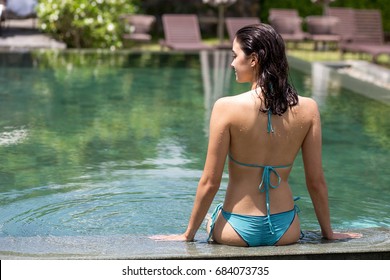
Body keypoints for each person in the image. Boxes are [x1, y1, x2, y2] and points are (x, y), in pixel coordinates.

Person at [152, 23, 361, 246]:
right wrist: (328, 233)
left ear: (253, 59)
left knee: (210, 218)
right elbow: (316, 181)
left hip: (235, 230)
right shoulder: (308, 109)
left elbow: (210, 182)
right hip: (286, 229)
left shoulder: (226, 107)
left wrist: (187, 235)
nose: (232, 63)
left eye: (235, 55)